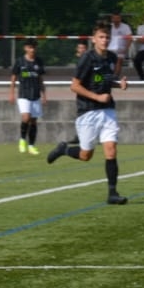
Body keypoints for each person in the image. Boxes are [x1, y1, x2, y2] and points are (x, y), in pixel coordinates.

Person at [46, 21, 129, 205]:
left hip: (108, 110)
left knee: (111, 149)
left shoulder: (112, 58)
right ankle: (64, 149)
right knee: (86, 155)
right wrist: (97, 97)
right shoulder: (87, 58)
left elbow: (106, 80)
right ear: (94, 39)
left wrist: (119, 84)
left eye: (107, 37)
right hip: (88, 111)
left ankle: (113, 193)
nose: (104, 40)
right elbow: (74, 86)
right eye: (101, 37)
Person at [9, 39, 46, 154]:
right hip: (23, 94)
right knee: (26, 117)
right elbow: (13, 77)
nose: (32, 50)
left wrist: (44, 94)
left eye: (34, 47)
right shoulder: (20, 61)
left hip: (35, 94)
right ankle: (22, 140)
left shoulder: (39, 61)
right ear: (25, 48)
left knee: (34, 121)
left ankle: (31, 146)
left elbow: (40, 79)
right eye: (30, 47)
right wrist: (11, 93)